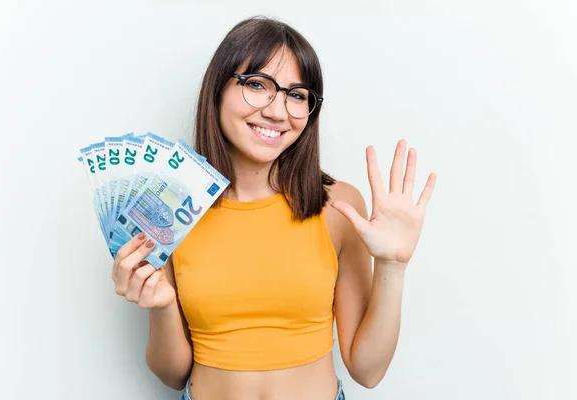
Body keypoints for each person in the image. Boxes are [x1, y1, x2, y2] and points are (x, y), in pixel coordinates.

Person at [111, 16, 436, 400]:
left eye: (297, 95)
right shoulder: (170, 209)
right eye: (257, 85)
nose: (278, 111)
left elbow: (367, 370)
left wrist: (393, 267)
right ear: (218, 89)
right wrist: (161, 307)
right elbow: (172, 374)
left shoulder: (339, 207)